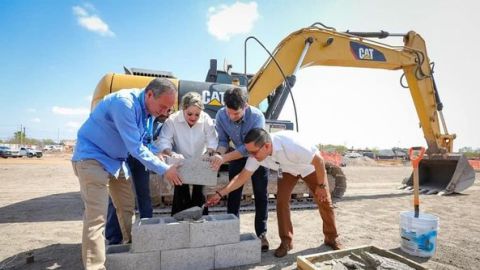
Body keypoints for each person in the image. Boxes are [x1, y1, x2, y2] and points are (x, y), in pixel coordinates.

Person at [72, 78, 183, 270]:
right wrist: (165, 170)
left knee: (126, 207)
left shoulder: (148, 113)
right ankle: (95, 266)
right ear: (149, 94)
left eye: (168, 109)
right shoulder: (124, 103)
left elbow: (145, 142)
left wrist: (162, 154)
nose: (165, 113)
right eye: (163, 107)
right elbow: (135, 147)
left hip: (116, 161)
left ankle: (129, 247)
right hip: (92, 158)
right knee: (96, 217)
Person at [207, 128, 342, 258]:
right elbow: (241, 177)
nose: (251, 156)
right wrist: (220, 194)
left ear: (266, 146)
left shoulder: (292, 145)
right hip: (287, 170)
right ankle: (286, 242)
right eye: (249, 152)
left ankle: (331, 238)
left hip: (309, 167)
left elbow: (319, 161)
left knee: (324, 201)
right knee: (281, 202)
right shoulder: (256, 153)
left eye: (253, 152)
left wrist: (322, 185)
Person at [209, 87, 269, 252]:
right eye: (229, 112)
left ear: (246, 106)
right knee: (233, 194)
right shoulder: (221, 115)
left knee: (260, 195)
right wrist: (217, 156)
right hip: (235, 156)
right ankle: (231, 231)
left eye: (236, 114)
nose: (231, 117)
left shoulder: (257, 117)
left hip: (257, 155)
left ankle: (262, 234)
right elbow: (222, 141)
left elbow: (248, 149)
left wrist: (224, 158)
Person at [105, 116, 165, 245]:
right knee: (117, 197)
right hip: (123, 155)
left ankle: (147, 233)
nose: (166, 112)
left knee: (144, 194)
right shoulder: (133, 110)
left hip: (141, 158)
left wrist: (156, 152)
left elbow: (147, 140)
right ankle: (114, 237)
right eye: (165, 108)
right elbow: (133, 140)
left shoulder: (155, 120)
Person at [156, 92, 218, 216]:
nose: (193, 117)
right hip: (180, 161)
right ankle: (179, 221)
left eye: (197, 114)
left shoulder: (206, 118)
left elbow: (212, 139)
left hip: (201, 159)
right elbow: (164, 140)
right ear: (183, 109)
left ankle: (200, 221)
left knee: (199, 192)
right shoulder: (172, 120)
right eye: (189, 114)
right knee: (180, 190)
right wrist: (171, 153)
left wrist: (209, 152)